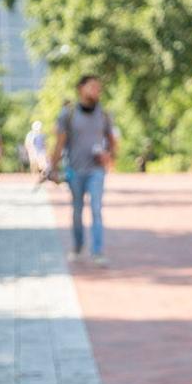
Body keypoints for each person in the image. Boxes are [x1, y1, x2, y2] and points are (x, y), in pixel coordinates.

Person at [48, 74, 118, 267]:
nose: (97, 91)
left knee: (96, 209)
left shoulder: (104, 114)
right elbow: (60, 143)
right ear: (81, 89)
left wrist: (108, 156)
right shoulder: (68, 114)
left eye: (99, 88)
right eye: (92, 87)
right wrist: (52, 168)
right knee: (77, 211)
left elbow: (112, 141)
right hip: (75, 169)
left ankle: (97, 252)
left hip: (96, 170)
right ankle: (78, 246)